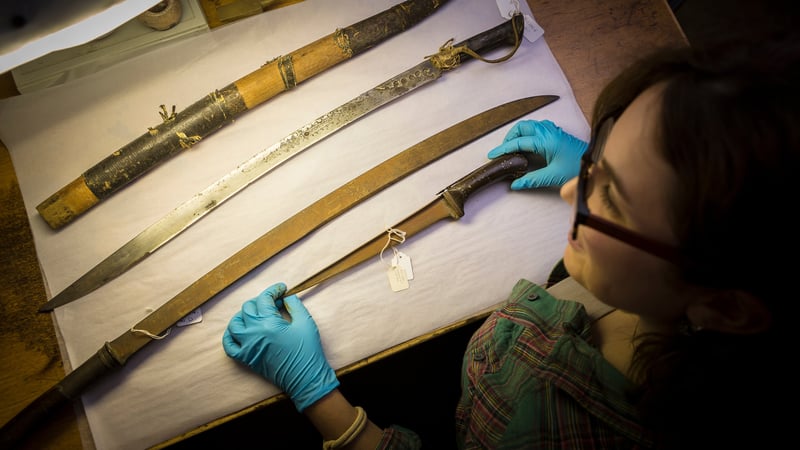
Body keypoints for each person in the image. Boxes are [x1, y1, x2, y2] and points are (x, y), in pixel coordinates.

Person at [221, 34, 796, 449]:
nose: (572, 189)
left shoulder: (553, 426)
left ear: (725, 305)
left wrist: (324, 403)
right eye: (597, 156)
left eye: (613, 198)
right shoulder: (661, 300)